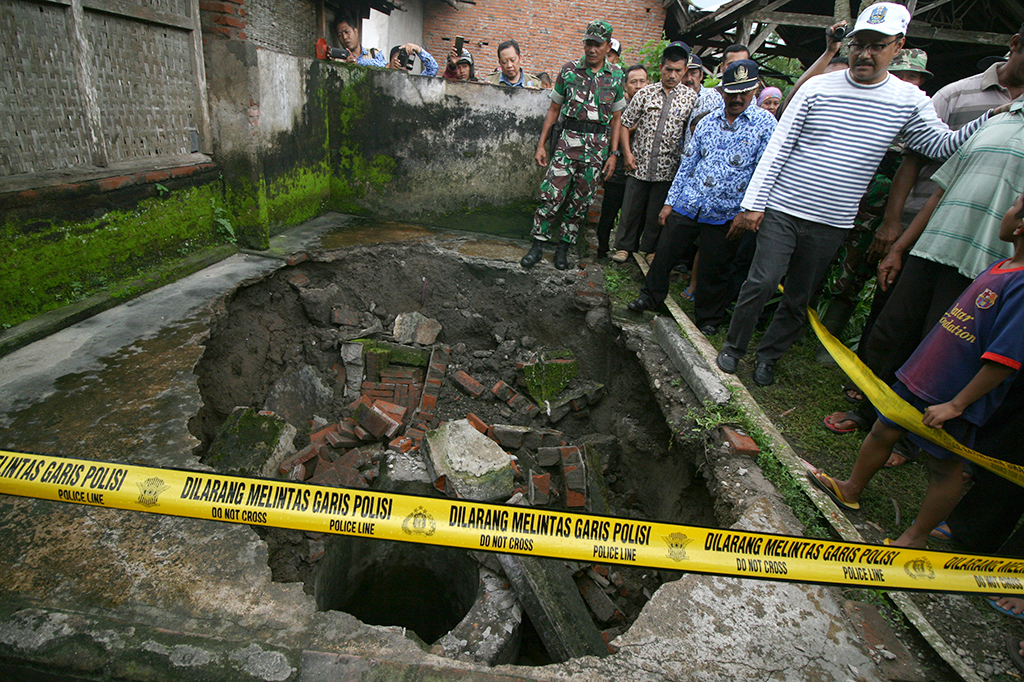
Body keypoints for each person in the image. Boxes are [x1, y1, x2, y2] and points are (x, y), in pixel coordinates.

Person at [714, 2, 997, 388]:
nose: (865, 53)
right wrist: (754, 204)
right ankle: (734, 347)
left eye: (877, 45)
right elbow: (779, 145)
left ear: (897, 47)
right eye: (859, 44)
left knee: (800, 295)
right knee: (762, 282)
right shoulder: (818, 87)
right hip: (784, 207)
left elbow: (939, 146)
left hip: (834, 219)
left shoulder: (909, 101)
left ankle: (769, 357)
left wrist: (991, 119)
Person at [825, 25, 1023, 435]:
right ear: (1015, 45)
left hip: (987, 263)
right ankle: (868, 410)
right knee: (892, 327)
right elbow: (938, 186)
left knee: (943, 347)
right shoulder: (978, 111)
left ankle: (907, 434)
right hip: (932, 243)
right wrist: (899, 243)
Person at [808, 188, 1024, 548]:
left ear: (1020, 225)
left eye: (1014, 206)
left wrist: (957, 405)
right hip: (923, 375)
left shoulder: (1020, 285)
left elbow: (1005, 359)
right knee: (882, 430)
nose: (1006, 211)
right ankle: (850, 489)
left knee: (944, 467)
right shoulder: (1002, 266)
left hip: (952, 394)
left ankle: (915, 536)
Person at [627, 59, 777, 337]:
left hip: (727, 209)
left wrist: (746, 211)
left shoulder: (765, 124)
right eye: (731, 92)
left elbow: (764, 171)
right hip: (691, 200)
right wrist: (670, 202)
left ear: (755, 90)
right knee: (666, 251)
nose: (737, 98)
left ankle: (708, 317)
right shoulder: (708, 121)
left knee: (714, 266)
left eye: (744, 92)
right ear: (723, 91)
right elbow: (688, 163)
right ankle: (650, 296)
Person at [520, 20, 625, 271]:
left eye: (597, 44)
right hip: (567, 142)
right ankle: (537, 246)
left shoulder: (617, 76)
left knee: (581, 202)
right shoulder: (568, 71)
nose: (591, 49)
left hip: (597, 148)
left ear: (607, 46)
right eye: (588, 43)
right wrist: (541, 145)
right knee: (551, 195)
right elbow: (554, 109)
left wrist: (613, 154)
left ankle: (563, 249)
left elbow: (618, 118)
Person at [610, 42, 697, 264]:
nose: (672, 74)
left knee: (656, 214)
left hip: (668, 169)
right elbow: (625, 125)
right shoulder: (645, 93)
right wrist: (627, 154)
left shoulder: (690, 99)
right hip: (638, 164)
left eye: (678, 70)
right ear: (661, 68)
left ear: (684, 71)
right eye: (668, 69)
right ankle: (624, 247)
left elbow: (692, 133)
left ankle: (650, 249)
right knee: (630, 209)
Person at [595, 64, 648, 259]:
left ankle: (629, 251)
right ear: (625, 86)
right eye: (633, 82)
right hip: (617, 171)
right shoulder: (619, 108)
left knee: (635, 215)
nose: (639, 86)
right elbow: (609, 135)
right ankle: (601, 250)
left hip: (640, 172)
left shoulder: (652, 108)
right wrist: (629, 129)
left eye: (642, 81)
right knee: (609, 212)